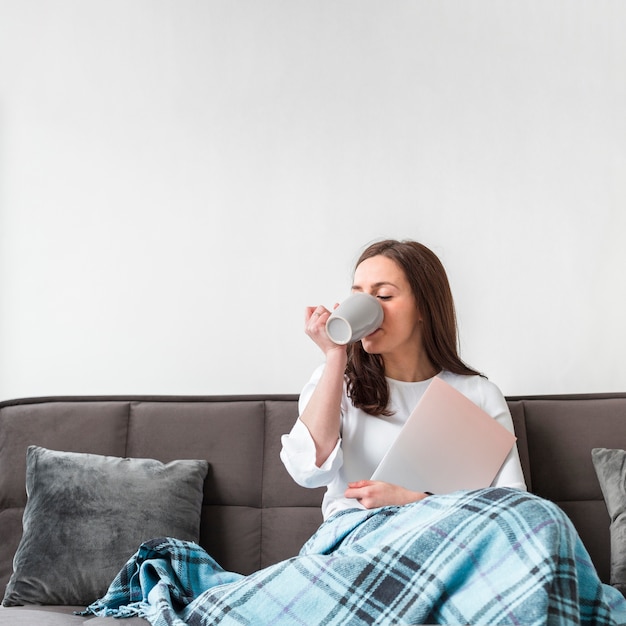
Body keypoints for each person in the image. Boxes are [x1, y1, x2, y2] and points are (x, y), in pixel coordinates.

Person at [280, 238, 526, 520]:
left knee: (548, 521)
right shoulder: (337, 381)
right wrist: (336, 355)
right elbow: (307, 471)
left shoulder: (477, 393)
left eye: (383, 296)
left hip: (448, 543)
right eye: (358, 295)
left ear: (423, 307)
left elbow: (516, 507)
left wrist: (413, 501)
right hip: (358, 537)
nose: (369, 307)